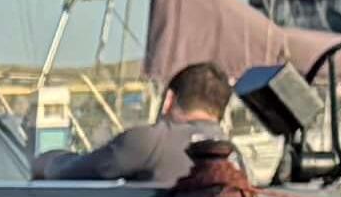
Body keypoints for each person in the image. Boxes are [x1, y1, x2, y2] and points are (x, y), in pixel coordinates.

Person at [39, 60, 236, 186]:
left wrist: (46, 160)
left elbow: (67, 172)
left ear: (169, 100)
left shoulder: (152, 141)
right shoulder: (235, 158)